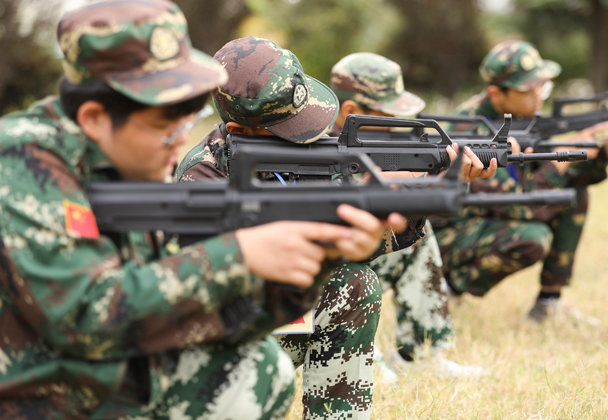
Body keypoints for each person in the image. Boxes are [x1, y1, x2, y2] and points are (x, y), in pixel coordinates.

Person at [0, 3, 399, 419]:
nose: (181, 143)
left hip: (102, 378)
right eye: (167, 128)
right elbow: (86, 316)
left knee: (258, 370)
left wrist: (316, 259)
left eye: (189, 121)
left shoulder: (121, 161)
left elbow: (199, 320)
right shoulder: (22, 162)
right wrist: (241, 254)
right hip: (35, 395)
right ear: (96, 118)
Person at [176, 37, 493, 419]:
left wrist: (421, 184)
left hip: (279, 312)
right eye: (290, 129)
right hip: (228, 343)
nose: (309, 136)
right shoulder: (202, 178)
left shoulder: (297, 159)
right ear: (239, 132)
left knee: (355, 282)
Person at [432, 40, 608, 324]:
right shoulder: (466, 131)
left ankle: (548, 304)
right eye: (528, 90)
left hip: (482, 220)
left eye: (543, 87)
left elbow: (572, 177)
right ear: (496, 94)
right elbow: (520, 204)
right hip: (444, 235)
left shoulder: (519, 118)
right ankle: (443, 293)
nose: (538, 97)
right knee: (532, 239)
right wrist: (562, 159)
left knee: (575, 192)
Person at [329, 52, 491, 380]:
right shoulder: (305, 150)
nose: (401, 129)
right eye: (390, 117)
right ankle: (352, 351)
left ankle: (421, 352)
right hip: (313, 280)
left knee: (417, 233)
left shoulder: (372, 149)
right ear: (350, 113)